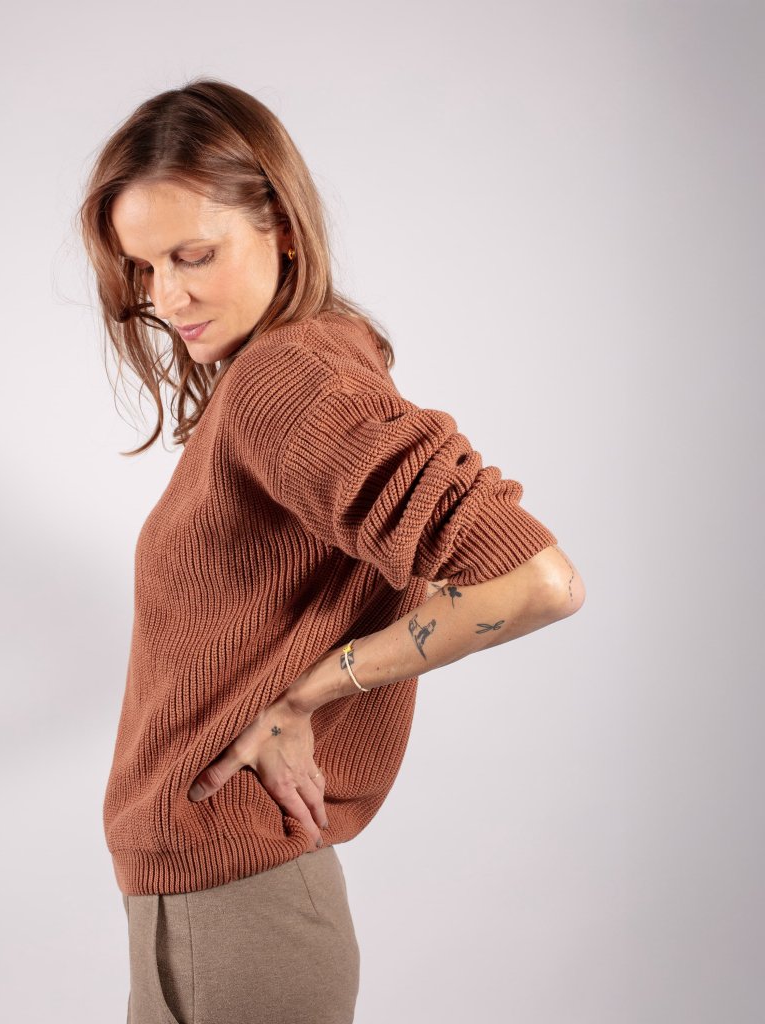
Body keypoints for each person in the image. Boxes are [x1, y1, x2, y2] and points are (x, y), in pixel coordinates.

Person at [78, 77, 585, 1024]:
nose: (167, 296)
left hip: (238, 910)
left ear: (281, 226)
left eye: (193, 255)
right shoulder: (284, 372)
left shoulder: (288, 379)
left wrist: (307, 695)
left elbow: (537, 582)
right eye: (143, 268)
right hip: (208, 902)